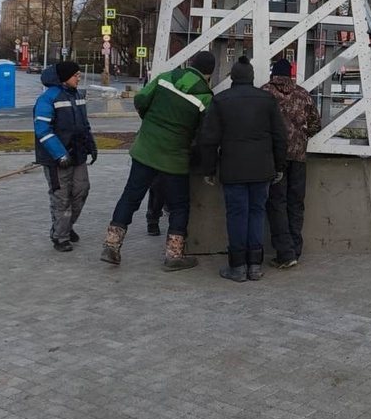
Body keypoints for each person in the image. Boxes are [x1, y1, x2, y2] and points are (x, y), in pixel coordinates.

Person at [100, 50, 215, 270]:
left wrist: (150, 121)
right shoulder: (205, 98)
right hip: (175, 158)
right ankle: (173, 255)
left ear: (190, 63)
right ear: (209, 74)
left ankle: (112, 245)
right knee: (179, 206)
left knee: (131, 197)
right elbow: (204, 134)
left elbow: (141, 99)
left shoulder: (164, 78)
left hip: (145, 150)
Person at [199, 56, 287, 282]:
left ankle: (237, 266)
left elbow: (209, 139)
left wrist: (208, 170)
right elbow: (279, 136)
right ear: (252, 77)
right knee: (257, 213)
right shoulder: (267, 100)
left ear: (232, 77)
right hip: (262, 169)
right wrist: (279, 166)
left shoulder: (221, 101)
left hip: (233, 169)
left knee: (237, 215)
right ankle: (255, 265)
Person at [262, 58, 321, 268]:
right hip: (298, 158)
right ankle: (295, 248)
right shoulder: (302, 94)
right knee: (296, 203)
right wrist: (301, 137)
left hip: (274, 159)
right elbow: (316, 123)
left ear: (273, 73)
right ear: (290, 74)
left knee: (277, 203)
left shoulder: (265, 93)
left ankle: (284, 252)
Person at [33, 62, 98, 252]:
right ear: (64, 77)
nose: (79, 78)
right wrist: (60, 154)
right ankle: (60, 236)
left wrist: (91, 146)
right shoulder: (47, 98)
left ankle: (66, 228)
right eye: (76, 75)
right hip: (56, 159)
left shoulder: (77, 95)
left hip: (77, 155)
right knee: (62, 198)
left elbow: (84, 125)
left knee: (81, 191)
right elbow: (42, 129)